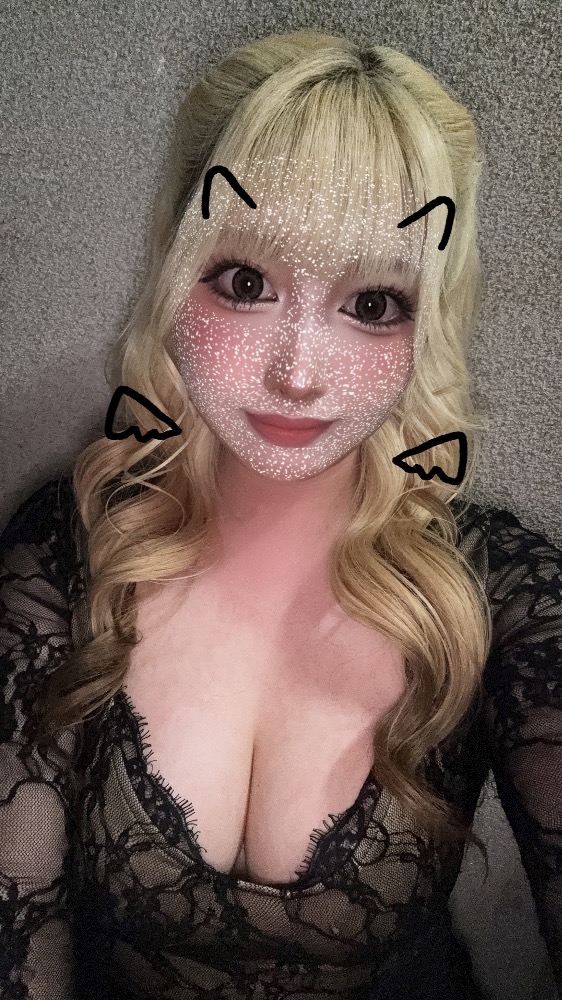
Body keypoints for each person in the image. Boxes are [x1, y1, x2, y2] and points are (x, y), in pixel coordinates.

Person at [0, 29, 560, 1000]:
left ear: (429, 317)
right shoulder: (65, 550)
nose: (298, 372)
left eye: (373, 303)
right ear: (176, 273)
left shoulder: (505, 597)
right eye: (246, 283)